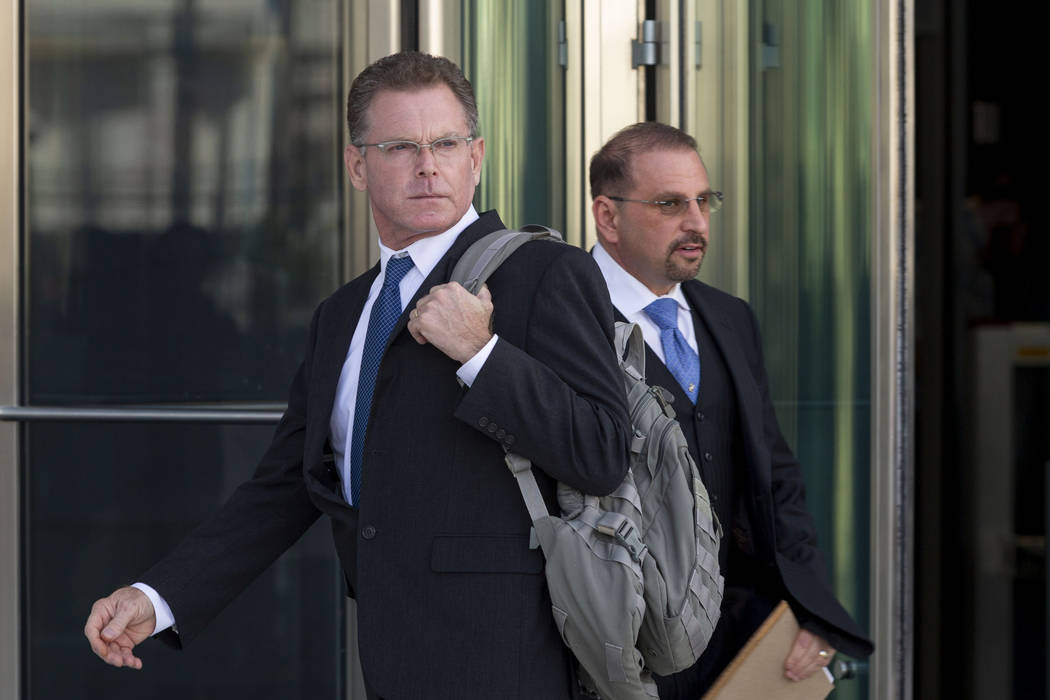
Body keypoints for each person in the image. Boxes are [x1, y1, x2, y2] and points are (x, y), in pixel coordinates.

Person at [85, 51, 631, 700]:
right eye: (401, 146)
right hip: (389, 653)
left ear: (476, 157)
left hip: (508, 662)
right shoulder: (343, 314)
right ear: (356, 166)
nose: (429, 165)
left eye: (447, 144)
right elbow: (284, 486)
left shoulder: (545, 275)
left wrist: (483, 354)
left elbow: (601, 452)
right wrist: (159, 597)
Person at [588, 122, 873, 698]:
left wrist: (810, 607)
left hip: (740, 640)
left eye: (703, 200)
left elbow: (774, 476)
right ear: (608, 216)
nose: (696, 223)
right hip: (619, 645)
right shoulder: (563, 319)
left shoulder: (728, 317)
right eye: (670, 204)